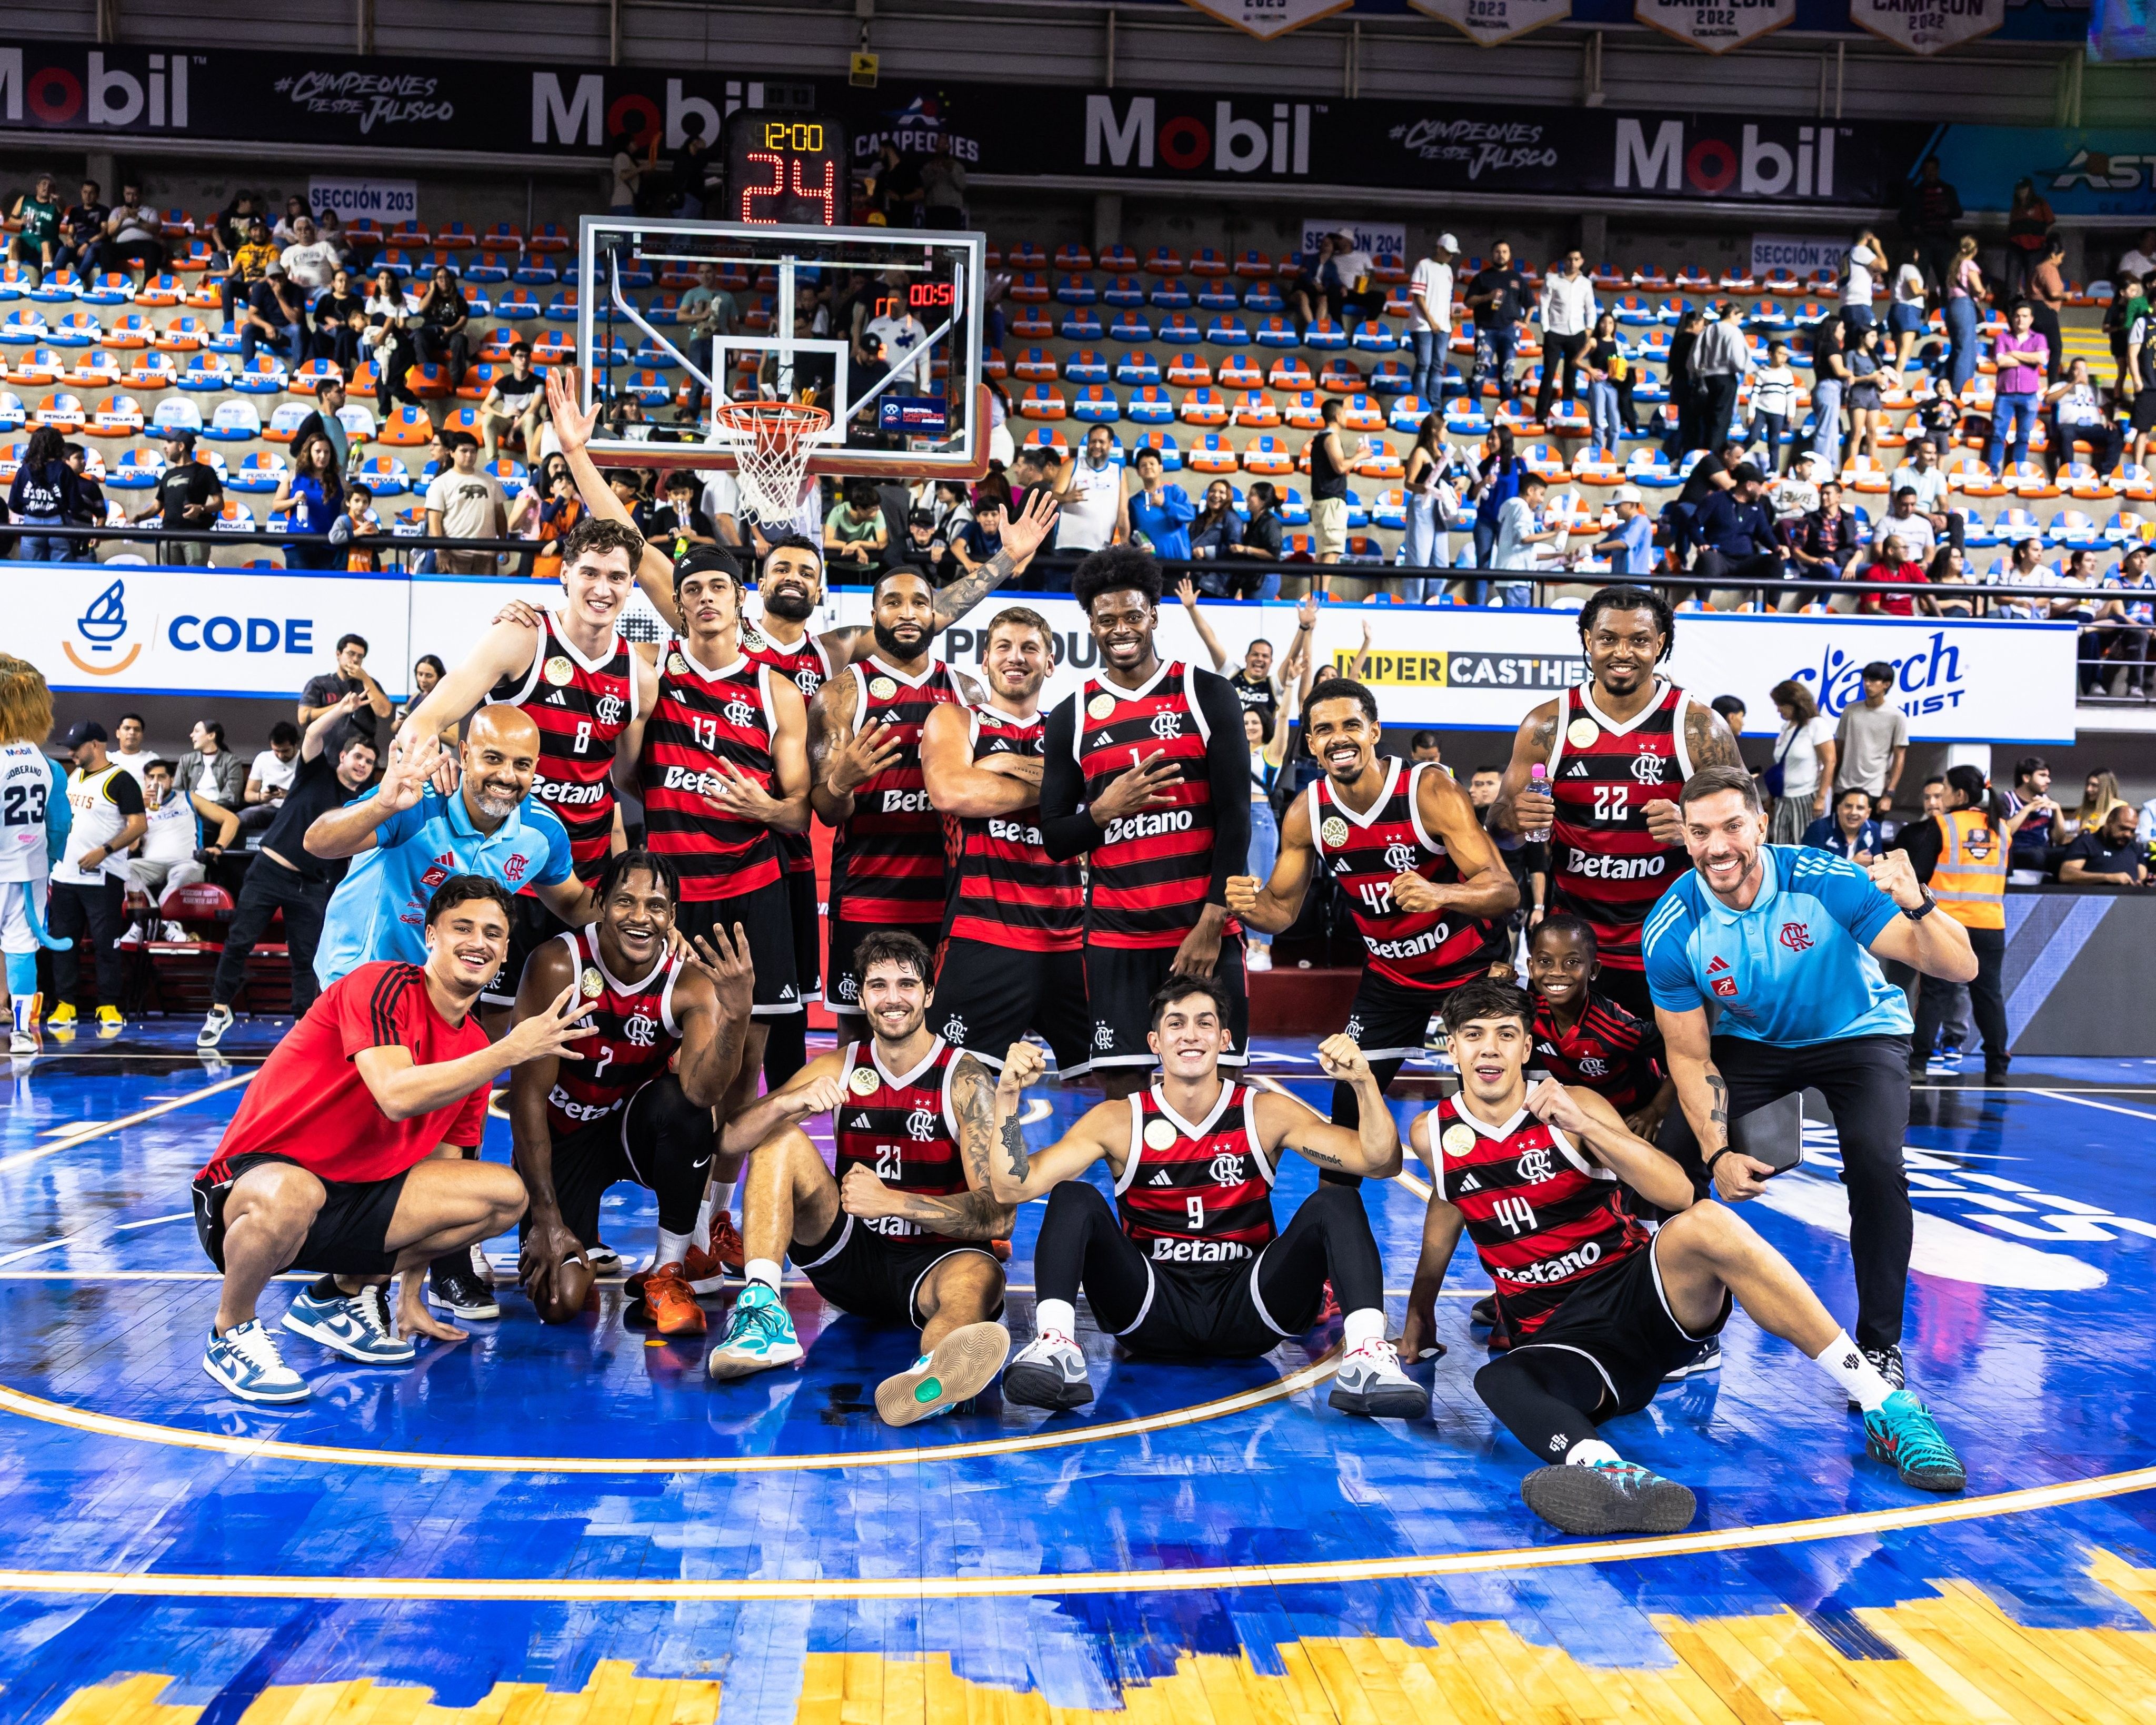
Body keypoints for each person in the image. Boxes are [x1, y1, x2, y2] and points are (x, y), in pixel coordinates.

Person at [1398, 975, 1963, 1537]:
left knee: (1708, 1221)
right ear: (1451, 1046)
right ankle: (1611, 1477)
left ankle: (1886, 1407)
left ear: (1526, 1046)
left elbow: (1675, 1193)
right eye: (1473, 1035)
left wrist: (1586, 1125)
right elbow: (1450, 1204)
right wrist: (1420, 1307)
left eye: (1505, 1034)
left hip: (1637, 1297)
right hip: (1563, 1343)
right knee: (1500, 1379)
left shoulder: (1575, 1103)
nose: (1489, 1048)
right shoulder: (1433, 1133)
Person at [189, 876, 591, 1403]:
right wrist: (509, 1051)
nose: (479, 942)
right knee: (296, 1193)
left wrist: (409, 1292)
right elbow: (396, 1094)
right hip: (258, 1183)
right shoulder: (379, 984)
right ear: (430, 936)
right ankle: (231, 1330)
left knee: (502, 1195)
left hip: (354, 1200)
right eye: (462, 927)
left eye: (493, 933)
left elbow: (436, 1175)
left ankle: (342, 1295)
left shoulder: (470, 1045)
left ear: (504, 954)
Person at [1648, 765, 1978, 1396]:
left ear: (1761, 825)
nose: (1717, 847)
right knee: (1672, 1161)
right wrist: (1716, 1152)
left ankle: (1879, 1348)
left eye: (1731, 826)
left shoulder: (1825, 881)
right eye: (1699, 833)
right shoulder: (1674, 927)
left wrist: (1919, 903)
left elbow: (1959, 965)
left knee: (1877, 1164)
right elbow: (1689, 1059)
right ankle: (1689, 1328)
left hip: (1858, 1032)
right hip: (1756, 1041)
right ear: (1685, 839)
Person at [991, 980, 1424, 1418]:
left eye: (1205, 1023)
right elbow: (1014, 1186)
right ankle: (1055, 1348)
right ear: (1155, 1042)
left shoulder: (1265, 1112)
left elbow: (1378, 1163)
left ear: (1224, 1038)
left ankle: (1367, 1356)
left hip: (1251, 1305)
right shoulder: (1119, 1119)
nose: (1191, 1034)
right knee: (1074, 1196)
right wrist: (1008, 1096)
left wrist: (1365, 1082)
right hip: (1149, 1306)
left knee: (1338, 1203)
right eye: (1176, 1024)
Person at [303, 707, 596, 1317]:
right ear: (463, 756)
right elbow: (319, 841)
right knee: (376, 1132)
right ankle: (343, 1284)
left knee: (450, 1131)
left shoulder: (540, 831)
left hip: (446, 996)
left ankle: (431, 1269)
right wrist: (384, 801)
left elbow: (572, 902)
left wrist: (651, 922)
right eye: (491, 759)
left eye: (521, 765)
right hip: (365, 980)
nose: (505, 776)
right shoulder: (420, 803)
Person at [706, 932, 1015, 1424]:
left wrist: (892, 1200)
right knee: (777, 1138)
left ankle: (931, 1378)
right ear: (860, 996)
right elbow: (728, 1140)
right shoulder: (838, 1066)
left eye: (907, 984)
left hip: (936, 1260)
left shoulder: (966, 1078)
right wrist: (788, 1103)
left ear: (929, 994)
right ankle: (763, 1312)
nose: (893, 998)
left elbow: (1000, 1217)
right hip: (851, 1258)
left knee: (982, 1276)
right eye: (878, 985)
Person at [1229, 677, 1515, 1129]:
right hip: (1391, 978)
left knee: (1488, 1110)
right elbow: (1280, 911)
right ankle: (1336, 1202)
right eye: (1324, 730)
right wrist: (1246, 905)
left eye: (1351, 725)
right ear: (1312, 745)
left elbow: (1504, 890)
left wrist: (1440, 893)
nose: (1338, 738)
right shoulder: (1309, 811)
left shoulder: (1429, 790)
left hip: (1469, 968)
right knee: (1347, 1113)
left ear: (1374, 732)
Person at [508, 851, 757, 1333]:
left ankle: (668, 1271)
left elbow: (703, 1092)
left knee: (681, 1106)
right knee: (559, 1302)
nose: (641, 917)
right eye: (625, 901)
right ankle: (574, 1231)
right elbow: (526, 1099)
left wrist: (738, 1013)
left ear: (673, 917)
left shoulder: (687, 981)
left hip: (630, 1131)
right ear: (599, 903)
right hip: (562, 1140)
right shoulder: (557, 964)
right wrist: (546, 1217)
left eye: (656, 906)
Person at [1037, 545, 1252, 1099]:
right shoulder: (1072, 715)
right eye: (1106, 619)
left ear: (1154, 614)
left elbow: (1234, 821)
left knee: (1218, 1090)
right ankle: (1140, 1191)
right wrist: (1104, 811)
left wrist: (1210, 923)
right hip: (1117, 938)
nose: (1121, 629)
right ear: (1089, 624)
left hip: (1202, 930)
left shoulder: (1207, 694)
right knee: (1124, 1097)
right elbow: (1056, 836)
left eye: (1132, 616)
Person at [1490, 587, 1743, 1019]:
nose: (1622, 652)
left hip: (1672, 939)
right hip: (1574, 950)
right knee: (1570, 1079)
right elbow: (1499, 832)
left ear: (1659, 644)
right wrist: (1513, 819)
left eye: (1639, 640)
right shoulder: (1547, 723)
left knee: (1676, 1074)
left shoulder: (1699, 726)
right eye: (1608, 639)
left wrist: (1693, 828)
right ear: (1588, 640)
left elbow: (1750, 832)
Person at [919, 605, 1091, 1075]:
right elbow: (953, 790)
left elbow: (1100, 797)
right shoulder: (957, 719)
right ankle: (1008, 1154)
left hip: (1071, 937)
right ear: (985, 660)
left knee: (1124, 1080)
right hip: (982, 932)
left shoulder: (1072, 727)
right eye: (1004, 647)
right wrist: (1059, 791)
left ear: (1051, 663)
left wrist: (997, 766)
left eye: (1030, 648)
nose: (1016, 658)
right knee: (964, 1090)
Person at [196, 698, 380, 1050]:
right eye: (358, 756)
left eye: (370, 762)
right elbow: (312, 732)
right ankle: (219, 1010)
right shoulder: (315, 772)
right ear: (343, 757)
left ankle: (301, 1025)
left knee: (306, 958)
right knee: (239, 941)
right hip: (267, 871)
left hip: (311, 885)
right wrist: (341, 709)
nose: (363, 764)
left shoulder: (363, 805)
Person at [1888, 764, 2014, 1081]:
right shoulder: (2003, 829)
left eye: (1944, 789)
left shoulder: (1944, 825)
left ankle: (1917, 1065)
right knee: (1990, 996)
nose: (1941, 795)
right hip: (1991, 926)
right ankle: (1997, 1068)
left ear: (1959, 794)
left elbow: (1919, 874)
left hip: (1947, 926)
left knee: (1934, 994)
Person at [44, 721, 146, 1038]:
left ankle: (108, 1004)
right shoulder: (73, 775)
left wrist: (104, 851)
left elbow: (139, 825)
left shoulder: (121, 779)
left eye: (77, 746)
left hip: (102, 877)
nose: (71, 752)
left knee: (106, 945)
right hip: (64, 876)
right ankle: (65, 1003)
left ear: (97, 745)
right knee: (63, 944)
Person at [1, 657, 71, 1055]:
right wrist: (50, 859)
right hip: (29, 870)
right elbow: (60, 826)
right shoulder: (49, 767)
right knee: (21, 949)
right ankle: (23, 1033)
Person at [125, 759, 238, 928]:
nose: (156, 783)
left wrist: (218, 847)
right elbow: (133, 847)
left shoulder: (188, 798)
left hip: (186, 863)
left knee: (186, 873)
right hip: (151, 864)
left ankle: (153, 925)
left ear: (171, 780)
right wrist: (138, 811)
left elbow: (231, 819)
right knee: (124, 869)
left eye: (161, 777)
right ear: (145, 781)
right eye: (151, 778)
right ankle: (156, 919)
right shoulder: (139, 806)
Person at [299, 632, 393, 764]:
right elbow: (303, 718)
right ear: (338, 654)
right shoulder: (320, 683)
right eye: (351, 654)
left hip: (361, 762)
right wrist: (341, 708)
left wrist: (365, 678)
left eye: (360, 657)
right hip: (325, 757)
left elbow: (384, 711)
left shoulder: (369, 684)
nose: (355, 660)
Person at [1763, 680, 1837, 845]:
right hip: (1783, 798)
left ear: (1795, 703)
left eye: (1781, 705)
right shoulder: (1785, 728)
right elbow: (1782, 767)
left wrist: (1821, 798)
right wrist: (1771, 797)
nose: (1778, 709)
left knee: (1803, 843)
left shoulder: (1817, 725)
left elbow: (1830, 761)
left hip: (1806, 797)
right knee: (1779, 844)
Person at [425, 433, 509, 574]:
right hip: (454, 554)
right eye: (464, 451)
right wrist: (440, 550)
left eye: (473, 451)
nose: (469, 455)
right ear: (451, 453)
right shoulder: (440, 483)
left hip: (486, 554)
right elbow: (434, 520)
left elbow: (500, 515)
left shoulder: (490, 480)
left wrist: (503, 545)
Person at [1832, 661, 1908, 814]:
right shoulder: (1850, 710)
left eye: (1873, 681)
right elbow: (1838, 748)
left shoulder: (1897, 716)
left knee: (1869, 836)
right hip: (1844, 786)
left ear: (1886, 684)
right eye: (1865, 680)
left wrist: (1889, 794)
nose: (1867, 685)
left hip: (1875, 789)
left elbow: (1899, 756)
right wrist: (1830, 783)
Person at [1534, 250, 1597, 427]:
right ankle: (1541, 415)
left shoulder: (1586, 283)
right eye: (1569, 259)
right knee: (1549, 374)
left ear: (1582, 261)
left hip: (1577, 333)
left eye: (1576, 259)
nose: (1573, 263)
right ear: (1564, 261)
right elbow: (1544, 304)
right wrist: (1546, 329)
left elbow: (1590, 308)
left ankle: (1566, 415)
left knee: (1571, 376)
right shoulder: (1552, 279)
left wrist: (1589, 329)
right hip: (1554, 332)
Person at [1986, 303, 2049, 474]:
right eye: (2017, 316)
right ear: (2013, 318)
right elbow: (2001, 361)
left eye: (2025, 316)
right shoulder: (2002, 338)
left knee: (2023, 436)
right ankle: (1992, 472)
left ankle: (2017, 471)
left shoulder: (2039, 339)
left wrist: (2013, 353)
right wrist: (2030, 359)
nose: (2020, 319)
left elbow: (2042, 359)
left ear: (2031, 320)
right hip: (2004, 395)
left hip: (2029, 396)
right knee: (1998, 434)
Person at [1465, 240, 1528, 407]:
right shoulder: (1482, 277)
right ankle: (1474, 410)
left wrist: (1526, 323)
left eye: (1505, 252)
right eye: (1498, 252)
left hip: (1510, 331)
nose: (1501, 255)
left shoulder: (1517, 278)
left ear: (1510, 255)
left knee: (1508, 374)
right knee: (1480, 371)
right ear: (1492, 254)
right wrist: (1488, 297)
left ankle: (1505, 413)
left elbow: (1530, 304)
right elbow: (1468, 302)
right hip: (1486, 331)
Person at [1049, 424, 1129, 555]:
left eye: (1102, 442)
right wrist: (1066, 498)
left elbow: (1123, 513)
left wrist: (1125, 545)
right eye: (1093, 441)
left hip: (1100, 549)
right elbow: (1051, 497)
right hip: (1067, 546)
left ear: (1111, 444)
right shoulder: (1072, 465)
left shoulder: (1119, 472)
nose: (1097, 445)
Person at [7, 426, 82, 563]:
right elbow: (76, 505)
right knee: (61, 573)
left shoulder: (25, 470)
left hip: (31, 524)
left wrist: (33, 510)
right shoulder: (64, 469)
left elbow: (13, 503)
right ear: (57, 445)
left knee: (31, 572)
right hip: (59, 524)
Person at [1407, 233, 1458, 406]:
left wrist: (1448, 314)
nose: (1450, 257)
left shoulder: (1448, 270)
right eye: (1448, 252)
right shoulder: (1423, 265)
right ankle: (1420, 403)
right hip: (1423, 325)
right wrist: (1431, 321)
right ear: (1439, 248)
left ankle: (1435, 406)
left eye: (1452, 254)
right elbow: (1418, 296)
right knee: (1424, 364)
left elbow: (1446, 297)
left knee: (1437, 366)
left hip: (1443, 325)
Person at [1126, 446, 1195, 561]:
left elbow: (1190, 514)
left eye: (1152, 464)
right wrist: (1139, 549)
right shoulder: (1134, 502)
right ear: (1138, 472)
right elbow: (1132, 535)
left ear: (1161, 468)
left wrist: (1165, 504)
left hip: (1179, 563)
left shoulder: (1175, 491)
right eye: (1143, 465)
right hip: (1150, 565)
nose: (1148, 467)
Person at [479, 343, 545, 463]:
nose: (524, 360)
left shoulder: (539, 382)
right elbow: (484, 406)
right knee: (488, 418)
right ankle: (493, 462)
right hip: (508, 420)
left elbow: (534, 408)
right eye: (520, 356)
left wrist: (514, 429)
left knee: (530, 418)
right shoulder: (503, 382)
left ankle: (533, 464)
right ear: (512, 359)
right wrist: (504, 416)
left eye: (527, 356)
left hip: (527, 422)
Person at [2059, 800, 2147, 887]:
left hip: (2130, 898)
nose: (2128, 834)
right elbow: (2066, 875)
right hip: (2096, 897)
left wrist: (2145, 883)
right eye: (2123, 828)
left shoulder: (2134, 846)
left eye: (2132, 831)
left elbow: (2142, 877)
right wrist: (2108, 878)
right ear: (2109, 821)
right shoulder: (2086, 842)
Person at [1804, 785, 1883, 862]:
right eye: (1848, 806)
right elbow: (1810, 865)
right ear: (1838, 809)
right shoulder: (1819, 827)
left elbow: (1878, 863)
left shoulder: (1874, 828)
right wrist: (1852, 863)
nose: (1853, 812)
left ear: (1868, 813)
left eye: (1860, 808)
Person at [824, 480, 891, 569]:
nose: (878, 510)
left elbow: (882, 543)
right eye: (873, 508)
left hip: (868, 566)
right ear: (859, 508)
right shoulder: (839, 512)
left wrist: (858, 543)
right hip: (840, 564)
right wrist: (855, 548)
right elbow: (826, 541)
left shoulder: (878, 514)